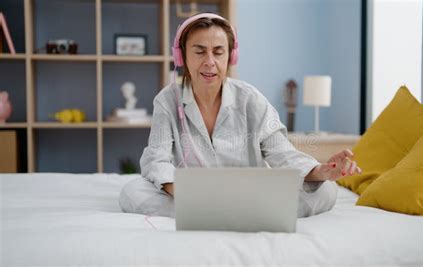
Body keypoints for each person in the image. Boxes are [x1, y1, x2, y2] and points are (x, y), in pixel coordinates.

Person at [119, 13, 361, 218]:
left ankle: (219, 212)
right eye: (200, 52)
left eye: (218, 52)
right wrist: (182, 191)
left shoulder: (251, 98)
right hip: (194, 194)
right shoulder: (167, 100)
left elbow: (281, 153)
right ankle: (235, 212)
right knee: (132, 192)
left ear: (230, 57)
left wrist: (322, 171)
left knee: (326, 190)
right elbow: (156, 158)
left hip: (247, 192)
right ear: (182, 56)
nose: (210, 62)